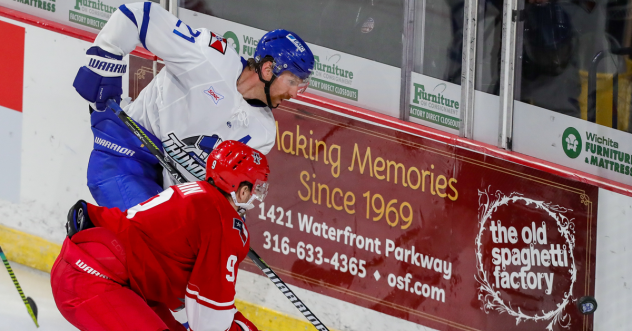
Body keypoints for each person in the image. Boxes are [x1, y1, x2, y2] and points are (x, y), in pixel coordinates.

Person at [72, 1, 313, 211]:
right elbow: (138, 16)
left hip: (166, 191)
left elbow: (221, 192)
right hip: (126, 153)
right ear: (268, 69)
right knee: (150, 234)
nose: (294, 93)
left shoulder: (263, 133)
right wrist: (104, 63)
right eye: (292, 81)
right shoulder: (211, 57)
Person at [51, 140, 270, 331]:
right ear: (241, 189)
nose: (256, 196)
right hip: (95, 279)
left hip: (106, 275)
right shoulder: (224, 222)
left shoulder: (201, 196)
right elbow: (209, 323)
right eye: (256, 188)